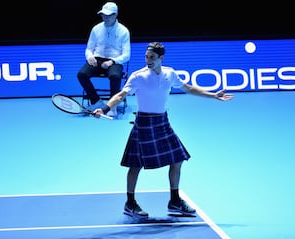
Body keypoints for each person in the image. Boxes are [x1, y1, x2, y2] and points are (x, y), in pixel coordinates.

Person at [93, 42, 234, 218]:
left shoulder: (170, 73)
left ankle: (174, 200)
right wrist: (105, 108)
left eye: (152, 57)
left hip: (162, 122)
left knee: (178, 158)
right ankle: (130, 203)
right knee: (135, 165)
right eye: (146, 57)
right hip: (144, 123)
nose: (148, 60)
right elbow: (121, 95)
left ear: (161, 58)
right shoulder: (138, 76)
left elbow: (188, 88)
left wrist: (212, 95)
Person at [77, 1, 130, 117]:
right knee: (81, 74)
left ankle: (112, 105)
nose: (104, 17)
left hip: (114, 61)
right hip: (96, 59)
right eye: (103, 15)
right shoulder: (96, 29)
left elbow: (127, 55)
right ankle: (95, 101)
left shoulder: (124, 31)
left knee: (115, 76)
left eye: (107, 15)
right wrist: (90, 56)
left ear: (115, 15)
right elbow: (89, 48)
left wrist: (113, 61)